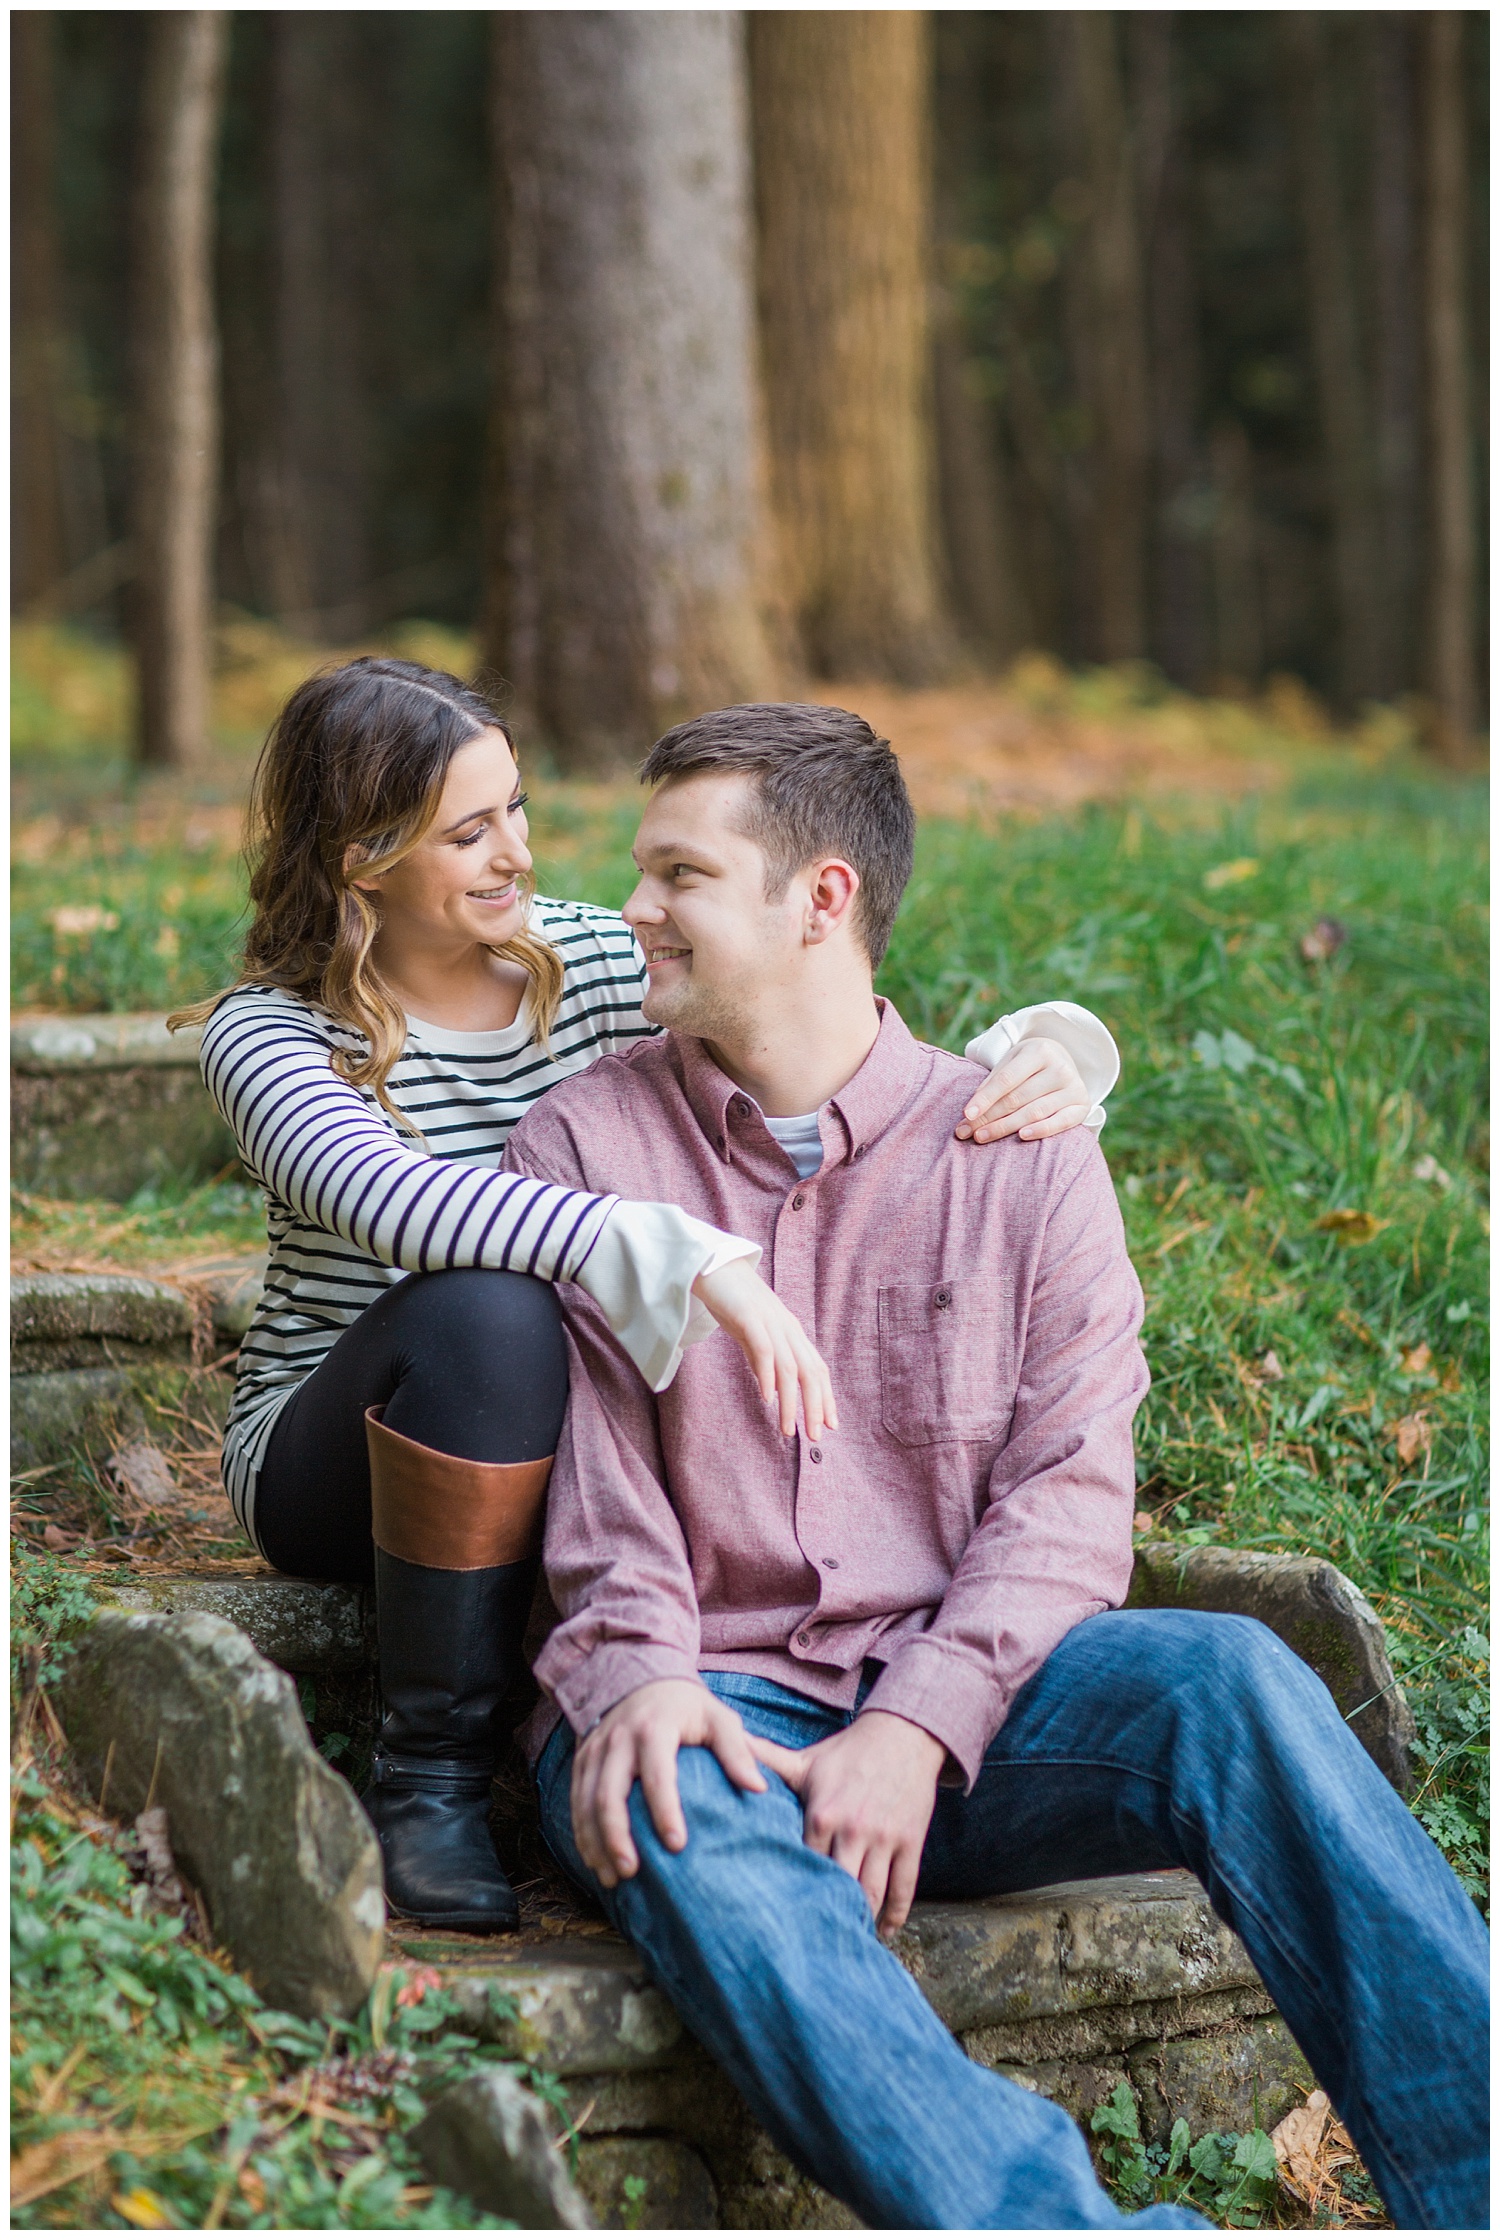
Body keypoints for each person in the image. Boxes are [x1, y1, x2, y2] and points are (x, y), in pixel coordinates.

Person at [504, 701, 1489, 2232]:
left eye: (679, 875)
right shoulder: (580, 1147)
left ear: (820, 899)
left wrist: (922, 1721)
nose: (634, 907)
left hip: (978, 1706)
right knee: (668, 1786)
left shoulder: (1022, 1147)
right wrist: (632, 1672)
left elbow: (1071, 1498)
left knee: (1226, 1680)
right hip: (710, 1701)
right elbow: (595, 1474)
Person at [183, 656, 1116, 1936]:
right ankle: (431, 1778)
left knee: (532, 1321)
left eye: (515, 806)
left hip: (568, 1413)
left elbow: (803, 993)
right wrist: (680, 1249)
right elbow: (388, 1202)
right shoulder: (273, 1029)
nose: (515, 853)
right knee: (488, 1304)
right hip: (351, 1436)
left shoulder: (582, 953)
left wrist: (1045, 1057)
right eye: (468, 831)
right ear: (363, 857)